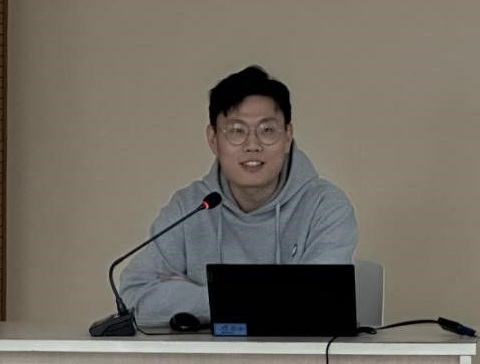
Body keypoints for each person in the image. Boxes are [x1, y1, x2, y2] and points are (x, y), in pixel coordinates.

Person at [118, 65, 357, 325]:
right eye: (236, 131)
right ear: (213, 139)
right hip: (207, 354)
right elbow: (133, 294)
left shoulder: (325, 206)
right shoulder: (191, 207)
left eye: (267, 130)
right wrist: (237, 300)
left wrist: (194, 296)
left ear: (288, 136)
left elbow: (319, 301)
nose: (252, 145)